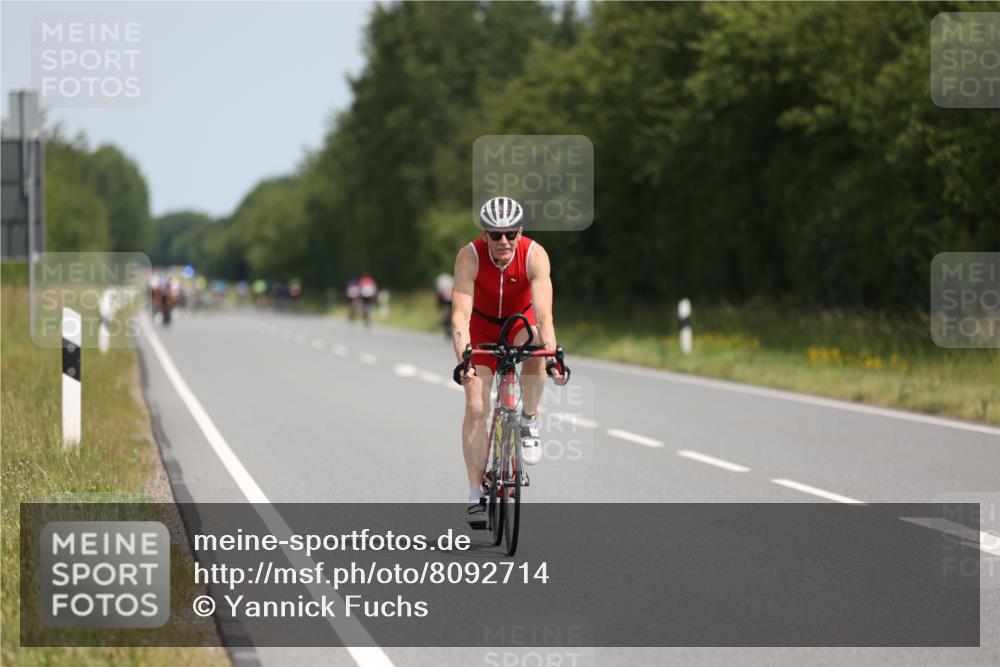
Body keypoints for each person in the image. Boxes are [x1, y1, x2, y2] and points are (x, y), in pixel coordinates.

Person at [451, 196, 567, 529]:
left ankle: (529, 418)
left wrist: (554, 355)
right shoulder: (469, 257)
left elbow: (544, 315)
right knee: (476, 407)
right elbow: (459, 315)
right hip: (481, 325)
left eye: (510, 234)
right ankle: (475, 495)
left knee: (536, 348)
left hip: (520, 323)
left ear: (520, 231)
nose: (503, 241)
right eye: (495, 234)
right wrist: (465, 360)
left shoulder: (535, 254)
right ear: (484, 234)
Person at [435, 273, 455, 338]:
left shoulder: (443, 282)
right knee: (448, 314)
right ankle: (449, 327)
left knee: (450, 313)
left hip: (451, 299)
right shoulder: (448, 282)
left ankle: (450, 327)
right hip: (450, 299)